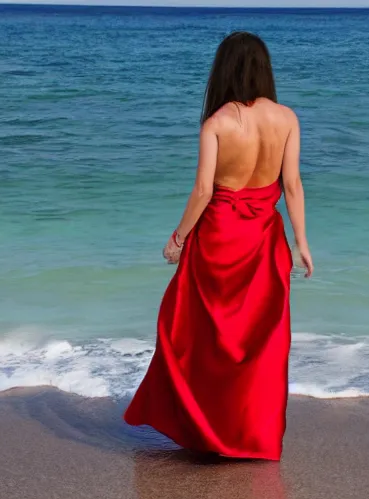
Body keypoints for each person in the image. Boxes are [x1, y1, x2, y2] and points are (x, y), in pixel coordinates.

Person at [124, 31, 313, 461]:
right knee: (259, 344)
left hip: (218, 238)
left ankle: (206, 429)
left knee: (195, 335)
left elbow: (204, 191)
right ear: (264, 69)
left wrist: (177, 238)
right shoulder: (287, 118)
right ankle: (249, 437)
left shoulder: (217, 124)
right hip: (265, 238)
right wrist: (302, 242)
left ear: (223, 70)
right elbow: (293, 185)